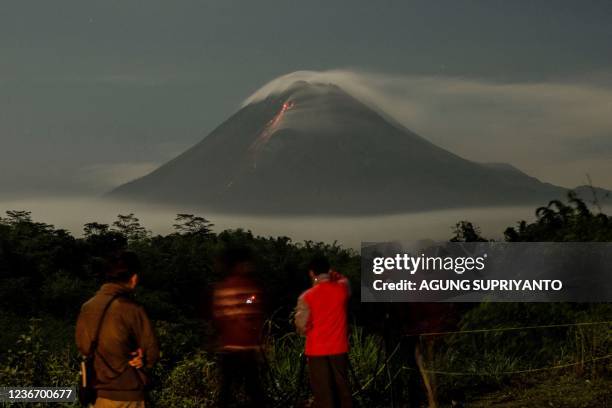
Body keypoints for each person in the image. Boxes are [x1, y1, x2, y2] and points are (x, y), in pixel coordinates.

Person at [76, 251, 159, 408]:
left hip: (99, 395)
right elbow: (152, 352)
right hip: (129, 394)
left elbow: (84, 348)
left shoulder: (87, 307)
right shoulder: (132, 309)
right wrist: (142, 358)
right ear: (133, 278)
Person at [295, 255, 352, 408]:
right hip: (339, 347)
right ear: (328, 270)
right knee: (343, 390)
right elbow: (345, 280)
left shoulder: (307, 297)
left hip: (316, 350)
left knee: (323, 392)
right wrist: (335, 275)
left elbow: (301, 324)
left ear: (312, 273)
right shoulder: (342, 288)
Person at [212, 245, 266, 407]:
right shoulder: (249, 286)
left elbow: (218, 319)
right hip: (247, 349)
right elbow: (255, 318)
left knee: (226, 393)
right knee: (255, 392)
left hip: (228, 349)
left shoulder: (222, 289)